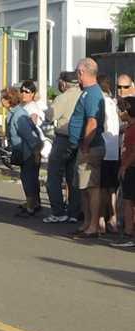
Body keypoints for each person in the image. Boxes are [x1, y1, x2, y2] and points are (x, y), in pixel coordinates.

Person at [68, 58, 106, 239]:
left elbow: (92, 122)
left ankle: (93, 226)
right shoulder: (87, 92)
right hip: (84, 147)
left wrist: (85, 144)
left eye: (78, 72)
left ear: (82, 72)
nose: (77, 76)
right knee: (83, 187)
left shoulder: (93, 93)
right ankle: (86, 223)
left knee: (91, 187)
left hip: (90, 148)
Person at [44, 71, 82, 223]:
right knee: (73, 177)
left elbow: (50, 116)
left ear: (64, 83)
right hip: (79, 139)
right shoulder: (83, 95)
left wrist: (45, 111)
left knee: (54, 175)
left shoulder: (63, 97)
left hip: (63, 138)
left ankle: (58, 211)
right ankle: (74, 212)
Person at [3, 87, 43, 216]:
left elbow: (30, 136)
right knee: (29, 178)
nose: (1, 100)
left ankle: (31, 207)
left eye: (3, 98)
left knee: (28, 179)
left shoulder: (18, 115)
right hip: (24, 151)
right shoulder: (14, 113)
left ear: (8, 100)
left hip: (29, 152)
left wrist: (36, 152)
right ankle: (33, 203)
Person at [97, 75, 120, 234]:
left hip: (104, 147)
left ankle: (101, 219)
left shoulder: (101, 102)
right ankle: (113, 218)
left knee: (102, 187)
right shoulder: (112, 102)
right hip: (114, 148)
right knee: (112, 187)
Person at [112, 96, 135, 247]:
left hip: (132, 168)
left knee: (128, 201)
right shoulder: (128, 127)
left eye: (122, 109)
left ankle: (128, 233)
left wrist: (124, 166)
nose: (120, 112)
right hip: (129, 166)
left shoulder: (133, 129)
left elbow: (133, 151)